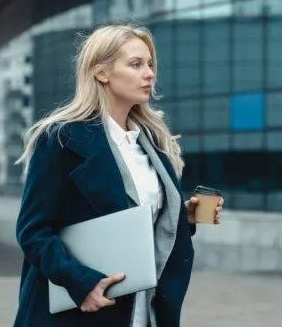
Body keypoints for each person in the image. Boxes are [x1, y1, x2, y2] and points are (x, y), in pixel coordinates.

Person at [12, 24, 224, 327]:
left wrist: (179, 217)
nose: (149, 73)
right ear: (102, 72)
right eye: (136, 64)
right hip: (80, 310)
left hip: (144, 310)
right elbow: (33, 231)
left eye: (150, 64)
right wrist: (81, 283)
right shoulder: (60, 139)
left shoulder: (152, 144)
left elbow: (131, 223)